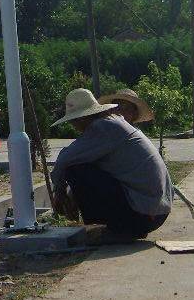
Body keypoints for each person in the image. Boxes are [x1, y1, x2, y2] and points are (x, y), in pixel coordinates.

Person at [50, 88, 173, 240]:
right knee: (84, 165)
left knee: (75, 170)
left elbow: (65, 159)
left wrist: (59, 191)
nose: (74, 127)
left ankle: (105, 229)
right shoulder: (114, 124)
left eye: (74, 121)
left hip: (146, 213)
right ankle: (125, 228)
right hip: (154, 212)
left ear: (82, 118)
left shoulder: (104, 127)